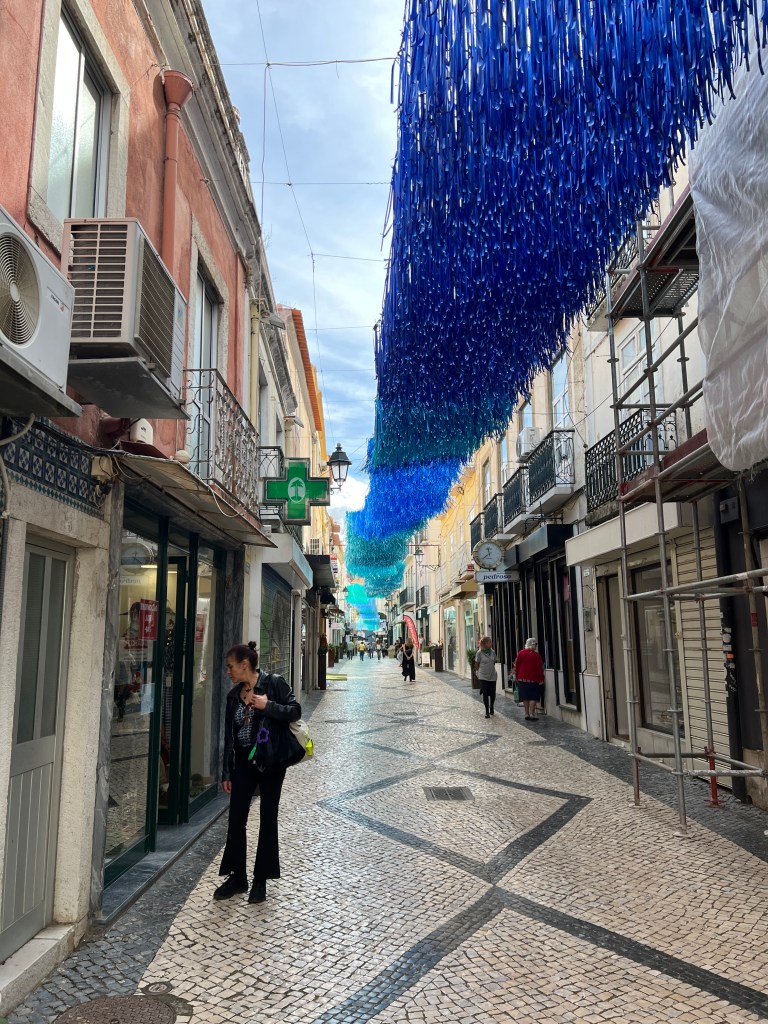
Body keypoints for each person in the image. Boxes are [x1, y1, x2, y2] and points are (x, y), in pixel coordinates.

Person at [215, 642, 301, 905]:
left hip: (271, 761)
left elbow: (295, 710)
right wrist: (227, 771)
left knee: (267, 818)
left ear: (244, 665)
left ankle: (260, 879)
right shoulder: (233, 696)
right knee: (236, 819)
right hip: (243, 764)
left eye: (230, 666)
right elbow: (230, 737)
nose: (228, 671)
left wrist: (268, 705)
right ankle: (238, 877)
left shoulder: (273, 684)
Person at [514, 637, 545, 722]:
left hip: (522, 678)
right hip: (533, 679)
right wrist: (541, 678)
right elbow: (539, 668)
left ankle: (526, 713)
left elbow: (517, 666)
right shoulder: (536, 655)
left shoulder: (520, 653)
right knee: (533, 697)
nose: (536, 646)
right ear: (533, 644)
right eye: (536, 644)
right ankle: (532, 714)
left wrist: (517, 676)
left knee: (525, 697)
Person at [474, 636, 497, 718]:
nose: (491, 643)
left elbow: (494, 662)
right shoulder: (479, 653)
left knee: (493, 693)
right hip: (483, 676)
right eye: (490, 642)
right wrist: (478, 672)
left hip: (492, 675)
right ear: (486, 643)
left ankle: (492, 706)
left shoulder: (493, 652)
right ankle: (487, 711)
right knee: (485, 693)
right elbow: (476, 664)